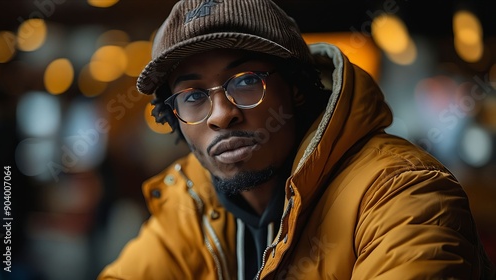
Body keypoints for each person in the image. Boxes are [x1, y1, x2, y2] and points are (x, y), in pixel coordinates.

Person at [98, 0, 496, 279]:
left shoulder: (402, 192)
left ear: (297, 89)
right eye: (193, 96)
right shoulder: (191, 201)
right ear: (175, 118)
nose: (222, 114)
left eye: (247, 81)